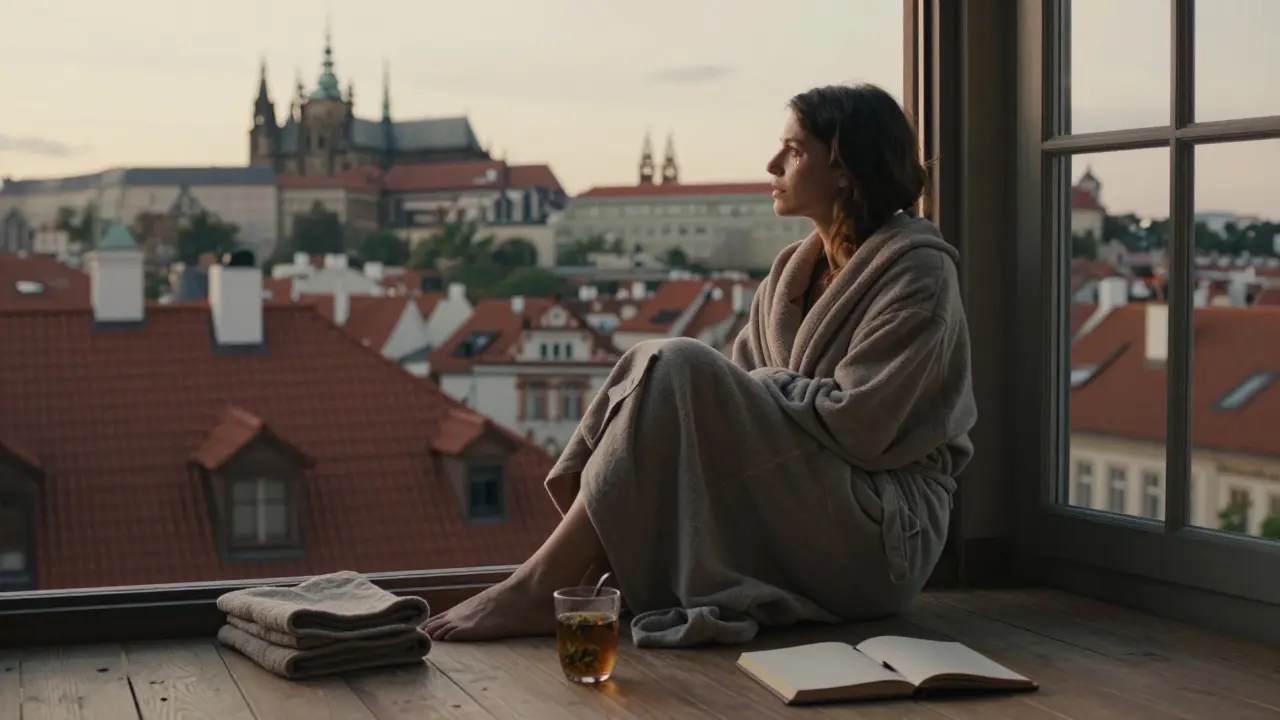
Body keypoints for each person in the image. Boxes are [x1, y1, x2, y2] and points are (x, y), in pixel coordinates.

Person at [424, 83, 977, 646]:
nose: (771, 163)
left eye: (793, 151)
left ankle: (543, 585)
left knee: (677, 362)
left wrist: (760, 392)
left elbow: (860, 425)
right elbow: (730, 415)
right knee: (664, 365)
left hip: (880, 536)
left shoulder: (918, 274)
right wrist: (757, 396)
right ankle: (562, 576)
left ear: (843, 169)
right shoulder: (790, 275)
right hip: (802, 516)